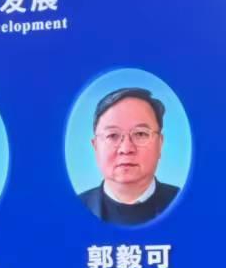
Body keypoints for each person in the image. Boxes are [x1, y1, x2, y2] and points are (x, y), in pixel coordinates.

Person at [77, 88, 180, 224]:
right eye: (112, 135)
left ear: (160, 144)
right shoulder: (72, 210)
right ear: (95, 146)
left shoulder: (188, 204)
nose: (126, 149)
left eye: (140, 134)